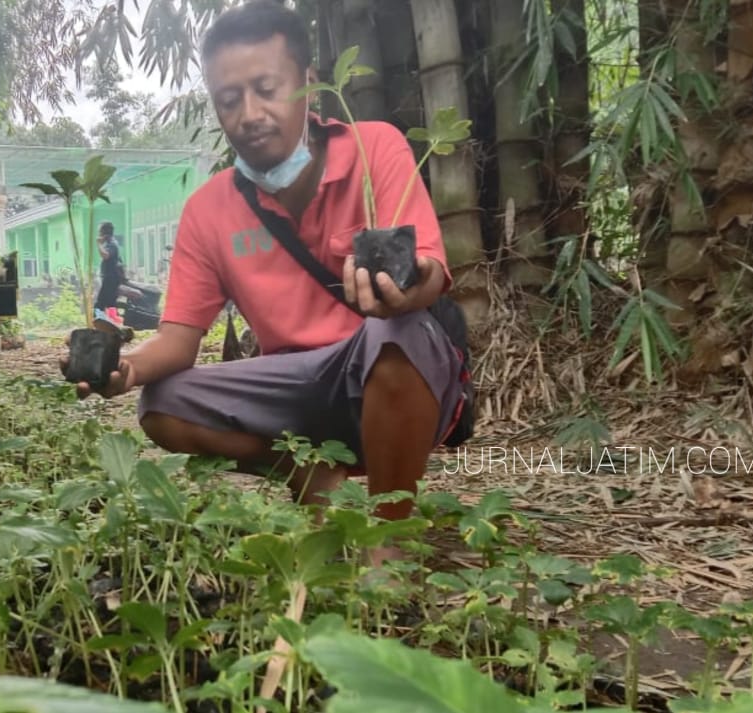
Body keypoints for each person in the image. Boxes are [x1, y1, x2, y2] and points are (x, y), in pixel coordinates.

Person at [60, 0, 466, 567]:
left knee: (396, 334)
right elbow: (179, 340)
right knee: (164, 403)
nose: (249, 113)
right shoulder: (210, 209)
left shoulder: (376, 147)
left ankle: (387, 541)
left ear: (309, 85)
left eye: (267, 89)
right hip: (292, 388)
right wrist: (127, 372)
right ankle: (312, 473)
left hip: (383, 366)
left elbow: (429, 272)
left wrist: (408, 288)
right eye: (229, 100)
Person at [93, 222, 131, 324]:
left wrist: (99, 244)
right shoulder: (111, 243)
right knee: (110, 303)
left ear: (104, 233)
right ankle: (112, 321)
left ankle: (98, 321)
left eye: (100, 232)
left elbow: (105, 255)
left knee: (100, 303)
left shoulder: (112, 244)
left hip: (110, 278)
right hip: (110, 277)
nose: (99, 234)